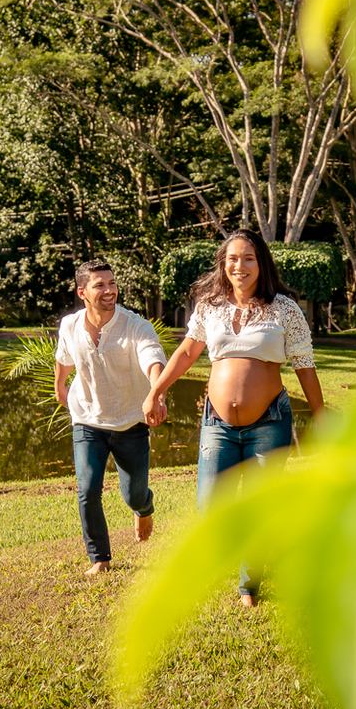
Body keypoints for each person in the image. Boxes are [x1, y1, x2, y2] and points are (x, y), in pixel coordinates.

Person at [142, 229, 324, 607]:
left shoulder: (284, 309)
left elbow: (304, 365)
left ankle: (248, 587)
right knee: (209, 506)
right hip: (217, 424)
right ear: (223, 265)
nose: (240, 266)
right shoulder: (210, 307)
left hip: (269, 422)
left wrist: (320, 415)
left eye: (248, 258)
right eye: (233, 259)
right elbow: (187, 353)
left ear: (262, 264)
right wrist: (156, 390)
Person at [55, 260, 168, 576]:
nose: (109, 290)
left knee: (134, 494)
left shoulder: (136, 326)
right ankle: (99, 558)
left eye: (112, 283)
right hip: (87, 419)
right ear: (82, 292)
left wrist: (157, 394)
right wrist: (60, 385)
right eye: (100, 285)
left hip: (130, 421)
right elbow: (64, 357)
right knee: (88, 489)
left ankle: (144, 508)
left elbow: (153, 359)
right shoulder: (70, 325)